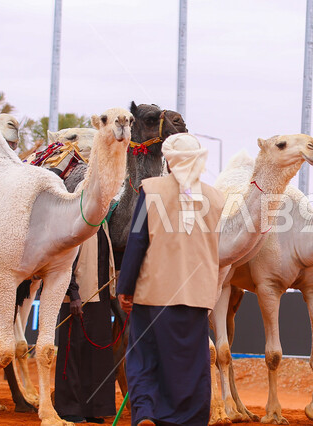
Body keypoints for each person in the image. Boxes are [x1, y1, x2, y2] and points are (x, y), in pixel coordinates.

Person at [116, 133, 224, 426]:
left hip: (153, 294)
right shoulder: (216, 198)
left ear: (169, 159)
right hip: (198, 296)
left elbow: (137, 241)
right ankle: (186, 420)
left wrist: (125, 287)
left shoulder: (149, 191)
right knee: (190, 367)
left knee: (144, 358)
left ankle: (147, 413)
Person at [55, 223, 116, 424]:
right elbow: (65, 258)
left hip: (100, 294)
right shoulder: (77, 219)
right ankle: (68, 408)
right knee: (72, 352)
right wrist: (72, 293)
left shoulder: (104, 223)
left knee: (96, 354)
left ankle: (92, 408)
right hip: (76, 297)